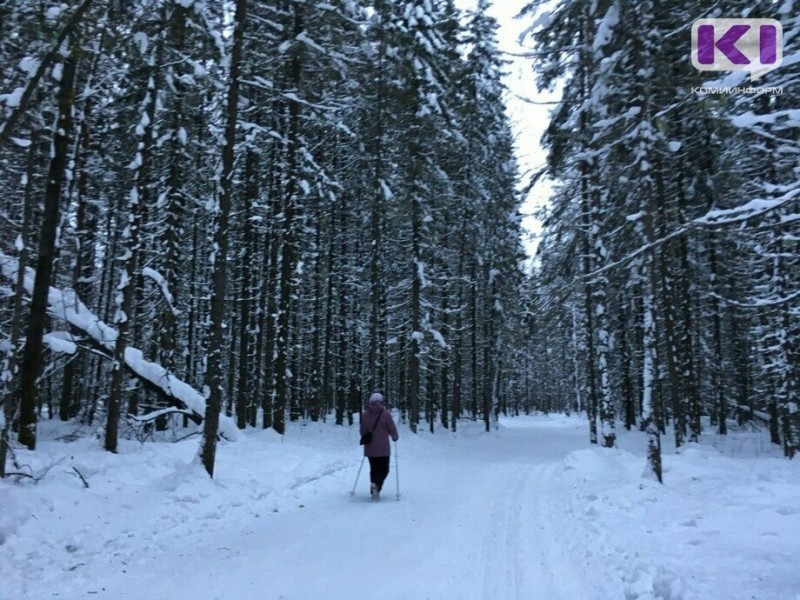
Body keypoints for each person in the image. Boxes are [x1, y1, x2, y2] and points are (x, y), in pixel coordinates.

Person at [360, 392, 399, 499]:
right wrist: (395, 436)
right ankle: (376, 485)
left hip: (370, 448)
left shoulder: (365, 415)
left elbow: (362, 431)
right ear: (381, 401)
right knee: (384, 469)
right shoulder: (385, 414)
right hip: (383, 448)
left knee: (374, 469)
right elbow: (391, 428)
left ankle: (374, 490)